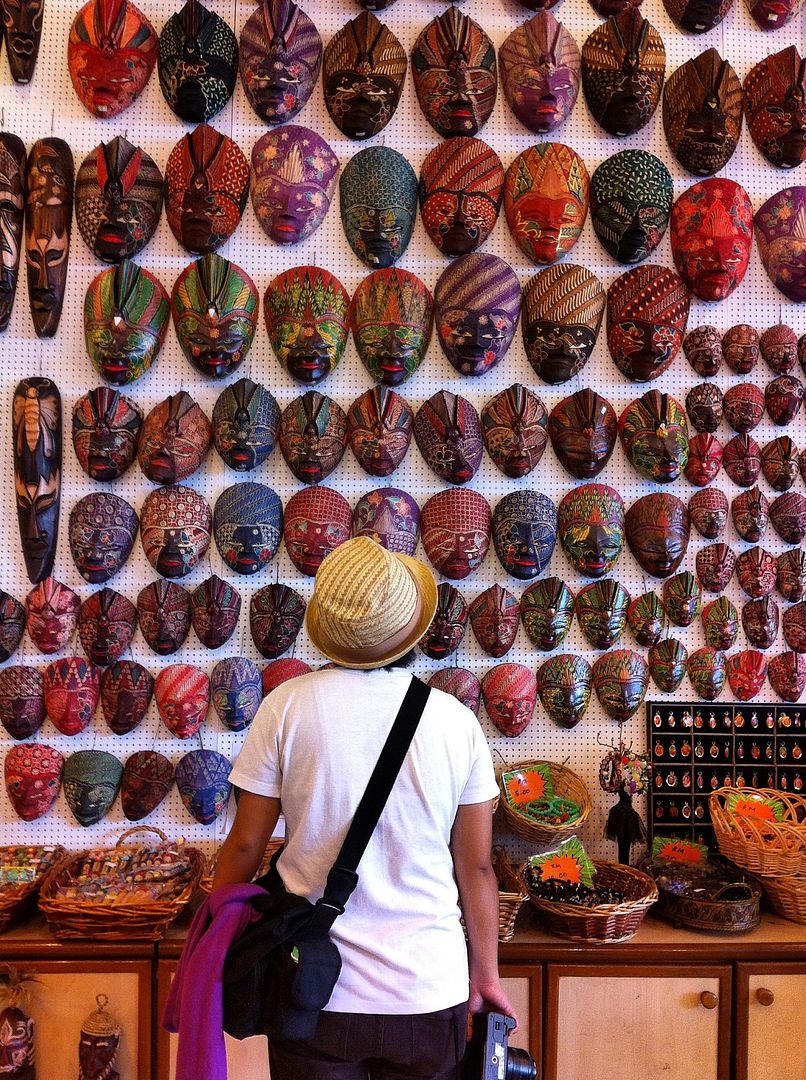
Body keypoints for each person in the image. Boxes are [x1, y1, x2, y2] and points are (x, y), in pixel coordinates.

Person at [212, 535, 515, 1079]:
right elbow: (476, 868)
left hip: (311, 988)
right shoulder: (454, 721)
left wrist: (208, 935)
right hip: (428, 987)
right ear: (409, 629)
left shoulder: (286, 707)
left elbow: (245, 845)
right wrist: (486, 974)